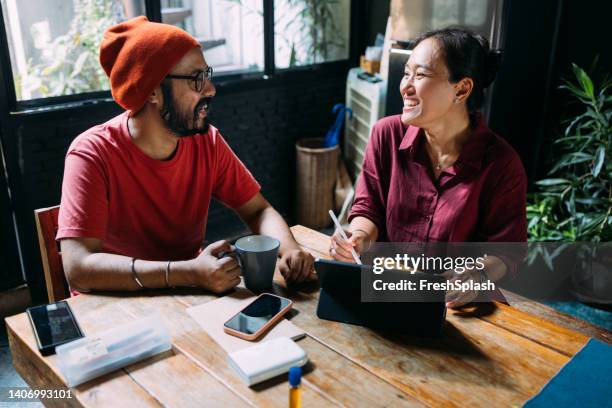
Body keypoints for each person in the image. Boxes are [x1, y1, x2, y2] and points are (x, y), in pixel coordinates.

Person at [57, 16, 314, 294]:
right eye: (196, 79)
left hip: (186, 296)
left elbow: (258, 209)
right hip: (114, 309)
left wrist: (290, 249)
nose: (211, 89)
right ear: (153, 90)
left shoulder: (207, 142)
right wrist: (186, 272)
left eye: (208, 75)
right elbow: (78, 268)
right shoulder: (91, 154)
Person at [330, 27, 527, 308]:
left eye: (420, 75)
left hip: (456, 305)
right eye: (406, 73)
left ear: (461, 89)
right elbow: (368, 208)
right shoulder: (386, 135)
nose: (405, 87)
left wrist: (478, 274)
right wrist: (358, 237)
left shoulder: (502, 164)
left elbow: (505, 252)